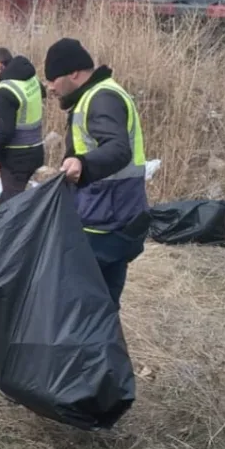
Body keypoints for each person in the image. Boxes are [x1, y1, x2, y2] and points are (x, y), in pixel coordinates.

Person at [43, 38, 150, 308]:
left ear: (74, 73)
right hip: (115, 214)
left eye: (53, 78)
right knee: (102, 305)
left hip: (106, 221)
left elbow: (118, 148)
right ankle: (102, 348)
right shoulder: (97, 95)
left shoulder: (101, 98)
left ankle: (93, 349)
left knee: (85, 306)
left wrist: (81, 163)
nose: (50, 86)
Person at [0, 48, 46, 203]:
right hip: (37, 150)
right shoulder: (31, 79)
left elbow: (5, 132)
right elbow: (42, 93)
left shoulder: (4, 91)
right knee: (12, 198)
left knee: (11, 204)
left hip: (16, 157)